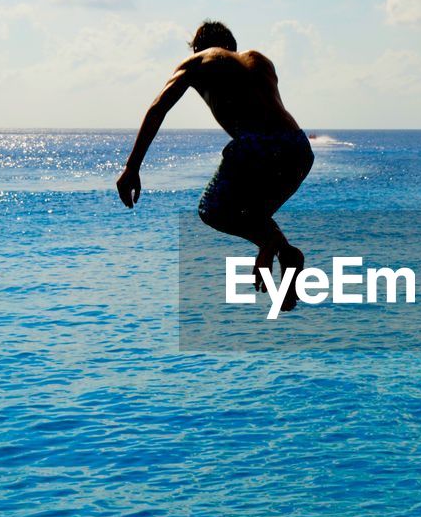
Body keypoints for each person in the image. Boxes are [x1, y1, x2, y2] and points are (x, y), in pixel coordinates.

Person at [116, 21, 314, 310]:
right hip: (298, 148)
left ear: (198, 46)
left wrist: (132, 167)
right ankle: (285, 253)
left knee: (212, 210)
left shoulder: (198, 60)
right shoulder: (260, 61)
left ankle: (271, 245)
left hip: (257, 146)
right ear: (231, 46)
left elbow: (158, 108)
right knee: (252, 213)